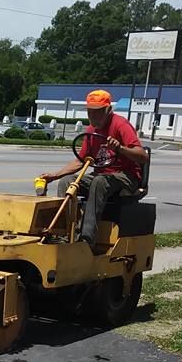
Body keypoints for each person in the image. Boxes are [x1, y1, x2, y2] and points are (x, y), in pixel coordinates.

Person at [40, 90, 148, 247]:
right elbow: (81, 161)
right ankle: (65, 233)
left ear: (108, 110)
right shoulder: (91, 130)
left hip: (125, 176)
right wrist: (55, 175)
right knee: (67, 182)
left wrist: (120, 149)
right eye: (90, 112)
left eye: (97, 112)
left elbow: (143, 156)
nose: (93, 117)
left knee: (98, 182)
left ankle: (87, 238)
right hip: (101, 175)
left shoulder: (120, 124)